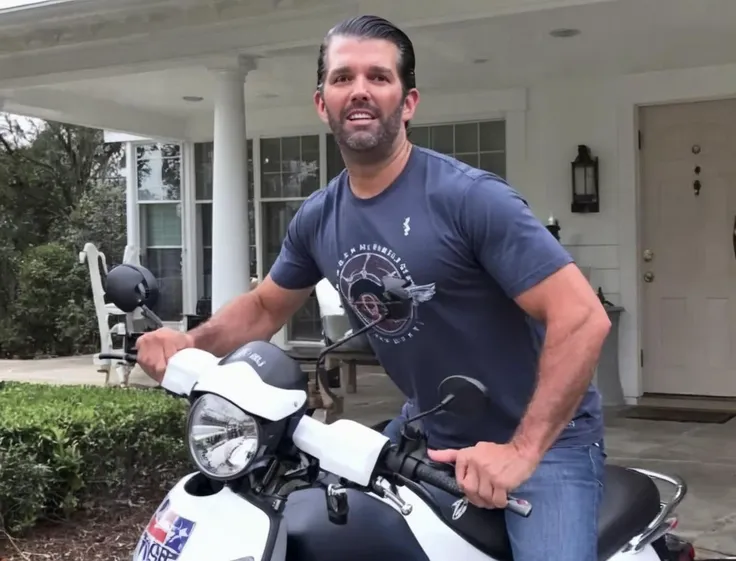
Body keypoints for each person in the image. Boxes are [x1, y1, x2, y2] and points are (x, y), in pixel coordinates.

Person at [136, 14, 612, 561]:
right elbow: (266, 305)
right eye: (343, 78)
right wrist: (188, 344)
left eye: (378, 77)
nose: (359, 90)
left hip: (546, 446)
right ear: (322, 102)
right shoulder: (320, 217)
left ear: (408, 102)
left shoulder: (469, 199)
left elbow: (581, 317)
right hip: (429, 424)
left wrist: (522, 451)